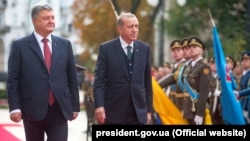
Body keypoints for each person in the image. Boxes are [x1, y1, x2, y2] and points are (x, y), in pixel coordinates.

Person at [7, 2, 80, 141]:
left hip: (59, 109)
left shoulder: (65, 45)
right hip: (32, 109)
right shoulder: (20, 46)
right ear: (34, 21)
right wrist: (14, 107)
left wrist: (74, 106)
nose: (51, 21)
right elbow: (13, 79)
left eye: (53, 17)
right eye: (46, 18)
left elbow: (71, 77)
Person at [93, 12, 153, 125]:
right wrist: (99, 105)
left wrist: (149, 110)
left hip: (138, 113)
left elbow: (147, 83)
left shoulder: (145, 49)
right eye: (131, 26)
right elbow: (99, 81)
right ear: (120, 29)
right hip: (113, 112)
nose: (135, 30)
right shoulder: (106, 49)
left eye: (137, 26)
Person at [183, 36, 211, 125]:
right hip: (187, 111)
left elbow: (204, 92)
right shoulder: (189, 67)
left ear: (201, 51)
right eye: (190, 47)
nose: (191, 49)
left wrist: (200, 114)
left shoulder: (203, 67)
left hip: (195, 111)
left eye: (194, 47)